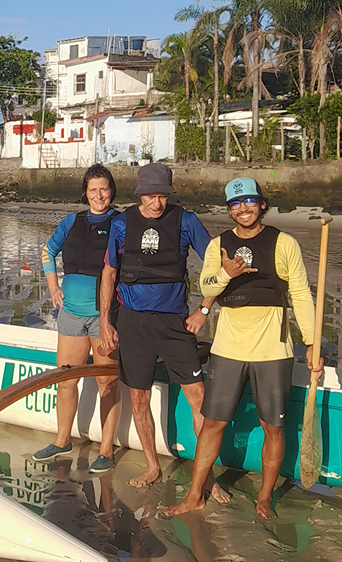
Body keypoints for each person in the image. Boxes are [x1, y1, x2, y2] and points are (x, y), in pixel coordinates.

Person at [163, 177, 321, 520]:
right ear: (229, 210)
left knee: (273, 427)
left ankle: (264, 498)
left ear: (262, 204)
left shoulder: (284, 243)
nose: (243, 208)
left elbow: (301, 295)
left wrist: (311, 342)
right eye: (235, 204)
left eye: (249, 201)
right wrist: (226, 273)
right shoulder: (219, 245)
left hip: (273, 351)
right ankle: (194, 495)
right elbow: (205, 284)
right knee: (212, 424)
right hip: (229, 349)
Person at [98, 163, 225, 500]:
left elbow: (217, 266)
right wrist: (105, 322)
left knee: (197, 397)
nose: (158, 203)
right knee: (138, 397)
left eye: (163, 196)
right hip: (133, 323)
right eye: (152, 196)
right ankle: (152, 466)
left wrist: (204, 309)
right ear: (140, 194)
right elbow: (110, 273)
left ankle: (205, 477)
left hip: (174, 323)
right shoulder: (122, 223)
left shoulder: (186, 221)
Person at [34, 164, 122, 473]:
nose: (99, 195)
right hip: (71, 314)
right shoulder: (72, 222)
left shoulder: (121, 223)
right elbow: (47, 252)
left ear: (112, 191)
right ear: (85, 193)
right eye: (93, 190)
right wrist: (53, 286)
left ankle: (107, 449)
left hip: (104, 318)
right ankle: (62, 440)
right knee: (65, 381)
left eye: (104, 189)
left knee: (107, 383)